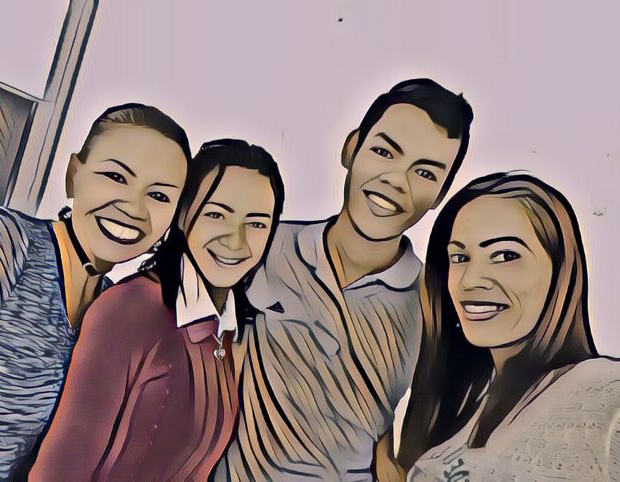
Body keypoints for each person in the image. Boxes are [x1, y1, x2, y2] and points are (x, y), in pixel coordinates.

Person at [212, 78, 474, 481]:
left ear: (441, 193)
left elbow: (390, 432)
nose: (396, 180)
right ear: (351, 148)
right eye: (384, 152)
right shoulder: (265, 247)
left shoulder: (436, 306)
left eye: (424, 172)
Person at [30, 139, 285, 481]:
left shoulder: (228, 330)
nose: (235, 241)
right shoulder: (131, 310)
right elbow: (60, 468)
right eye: (216, 214)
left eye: (256, 224)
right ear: (183, 214)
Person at [0, 103, 191, 479]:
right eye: (116, 176)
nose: (133, 207)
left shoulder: (113, 312)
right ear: (73, 176)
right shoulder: (5, 242)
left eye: (159, 196)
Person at [399, 172, 620, 481]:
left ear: (560, 271)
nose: (470, 280)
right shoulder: (445, 443)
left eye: (505, 255)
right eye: (460, 257)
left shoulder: (607, 396)